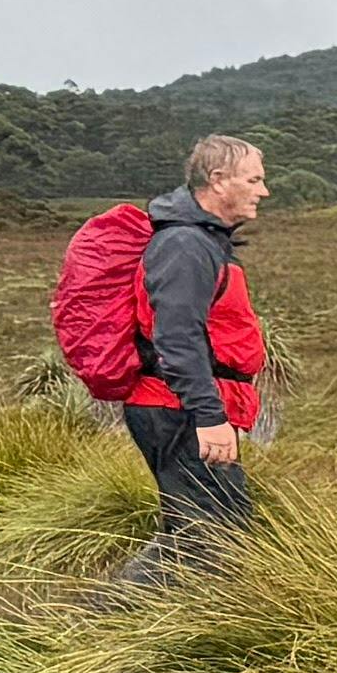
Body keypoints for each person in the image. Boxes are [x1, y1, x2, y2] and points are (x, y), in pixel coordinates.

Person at [87, 133, 272, 583]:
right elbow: (177, 337)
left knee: (201, 529)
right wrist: (208, 416)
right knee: (213, 535)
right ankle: (100, 621)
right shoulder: (185, 246)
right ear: (219, 180)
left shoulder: (202, 241)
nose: (263, 191)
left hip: (178, 406)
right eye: (255, 179)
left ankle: (137, 625)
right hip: (177, 410)